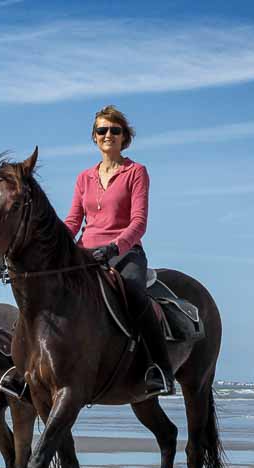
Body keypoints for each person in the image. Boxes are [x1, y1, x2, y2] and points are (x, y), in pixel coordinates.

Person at [62, 105, 174, 400]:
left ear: (125, 137)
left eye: (115, 130)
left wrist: (115, 247)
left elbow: (139, 222)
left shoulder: (136, 172)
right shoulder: (84, 177)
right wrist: (55, 244)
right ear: (94, 137)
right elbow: (74, 220)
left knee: (135, 294)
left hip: (124, 252)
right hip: (85, 253)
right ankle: (29, 369)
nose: (108, 135)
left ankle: (159, 368)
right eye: (102, 130)